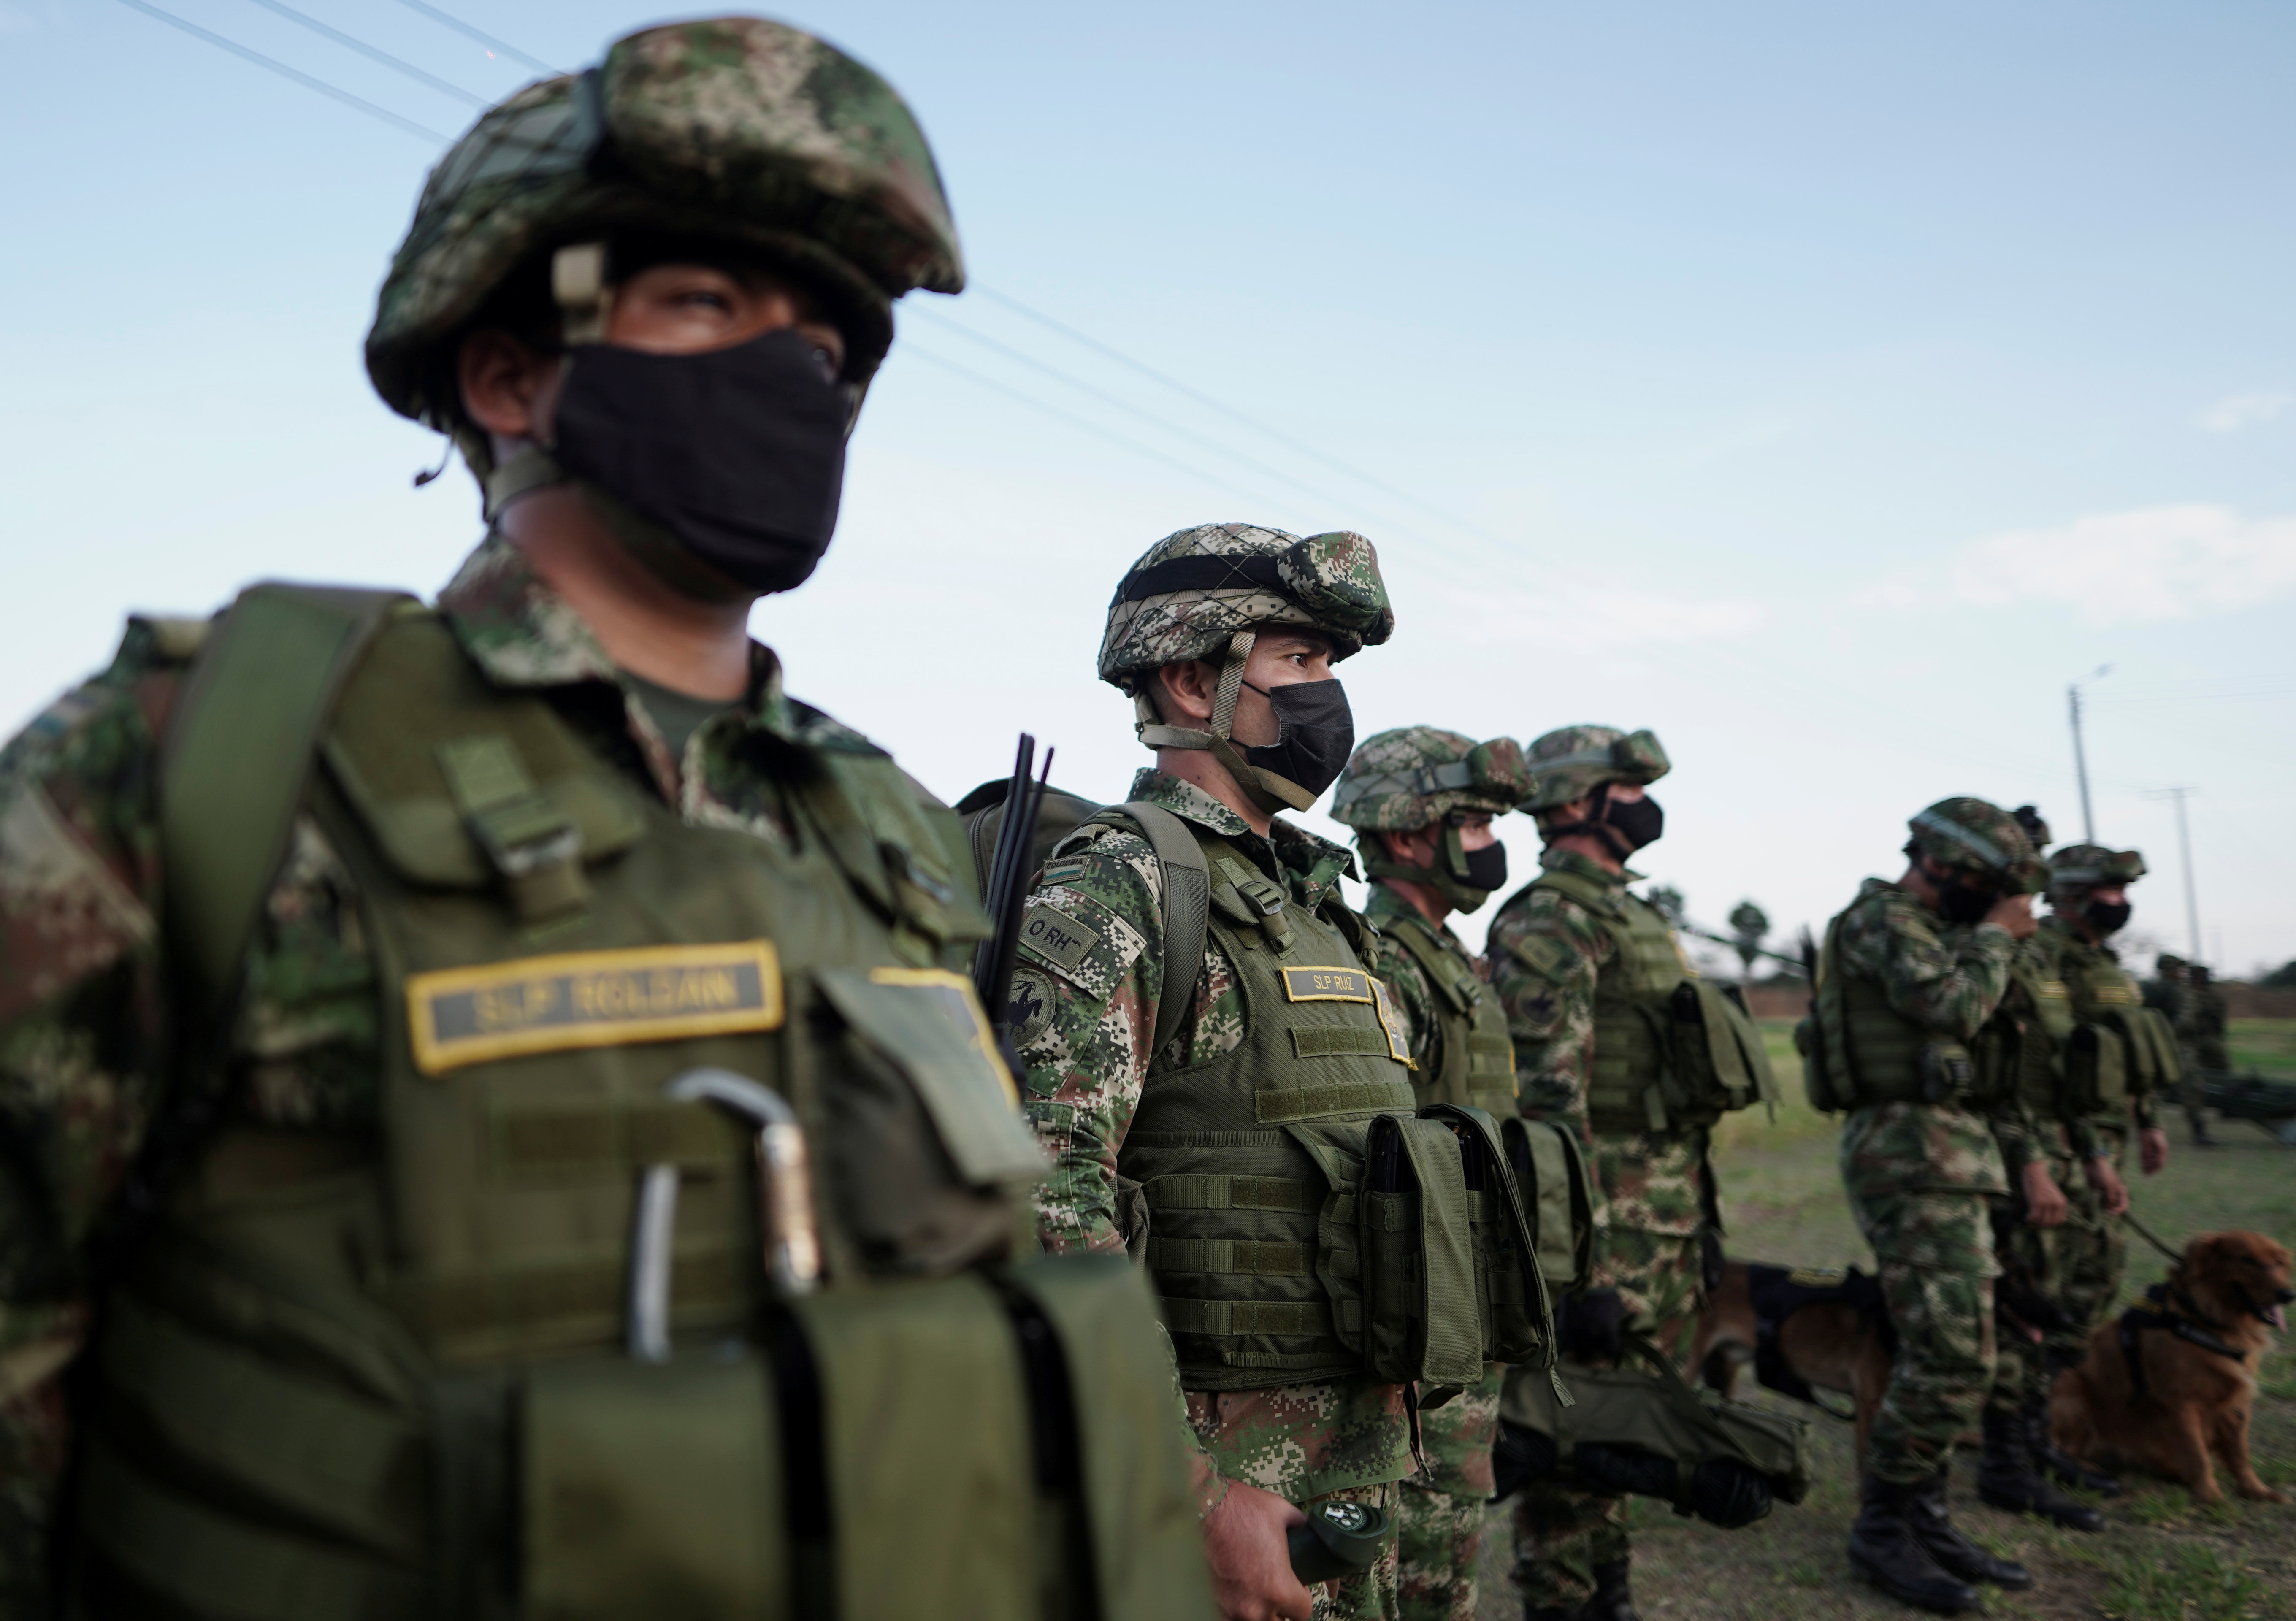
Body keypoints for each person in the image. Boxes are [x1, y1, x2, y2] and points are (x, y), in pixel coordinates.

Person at [0, 21, 1204, 1616]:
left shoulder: (896, 830)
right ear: (509, 367)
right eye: (709, 303)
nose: (796, 377)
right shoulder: (213, 758)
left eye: (832, 352)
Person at [1012, 522, 1495, 1621]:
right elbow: (1046, 1196)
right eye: (1301, 663)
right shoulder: (1121, 886)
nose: (1328, 699)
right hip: (1227, 1498)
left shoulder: (1324, 910)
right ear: (1192, 680)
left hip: (1359, 1468)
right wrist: (1188, 1491)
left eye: (1330, 666)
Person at [1486, 725, 1764, 1621]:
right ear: (1573, 803)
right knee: (1576, 1441)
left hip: (1664, 1219)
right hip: (1604, 1228)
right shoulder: (1548, 918)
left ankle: (1610, 1600)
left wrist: (1702, 1223)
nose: (1641, 801)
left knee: (1629, 1432)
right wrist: (1576, 1271)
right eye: (1624, 785)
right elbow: (1544, 1105)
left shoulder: (1628, 912)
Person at [1811, 798, 2057, 1614]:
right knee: (1952, 1356)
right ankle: (1883, 1530)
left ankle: (1925, 1514)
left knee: (1955, 1352)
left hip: (1949, 1154)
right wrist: (1996, 937)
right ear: (1943, 865)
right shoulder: (1882, 919)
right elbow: (1950, 1006)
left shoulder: (1932, 927)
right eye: (1982, 885)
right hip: (1906, 1154)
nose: (1990, 902)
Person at [1329, 727, 1535, 1621]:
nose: (1490, 843)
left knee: (1452, 1540)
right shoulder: (1383, 959)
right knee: (1419, 1551)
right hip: (1424, 1310)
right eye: (1476, 822)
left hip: (1466, 1291)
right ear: (1410, 833)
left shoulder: (1446, 955)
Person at [2012, 843, 2174, 1496]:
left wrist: (2148, 1119)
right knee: (2047, 1285)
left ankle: (2056, 1417)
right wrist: (2093, 1155)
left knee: (2095, 1280)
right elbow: (2051, 1068)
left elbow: (2125, 1050)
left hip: (2101, 1138)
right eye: (2108, 891)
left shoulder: (2106, 963)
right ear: (2073, 895)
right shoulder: (2043, 956)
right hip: (2062, 1142)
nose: (2121, 904)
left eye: (2122, 891)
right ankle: (2030, 1426)